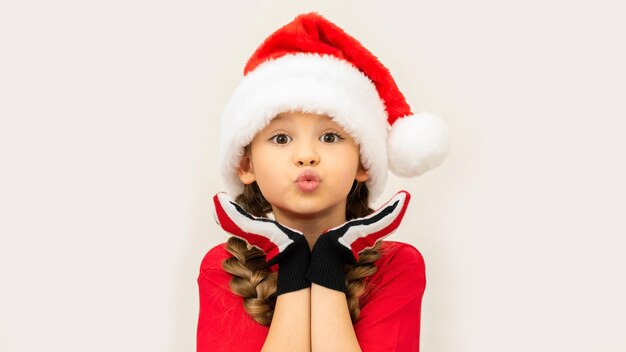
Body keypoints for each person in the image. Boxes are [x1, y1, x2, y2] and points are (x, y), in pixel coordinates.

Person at [196, 12, 450, 352]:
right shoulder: (224, 268)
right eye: (281, 139)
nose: (306, 155)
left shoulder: (397, 265)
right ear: (246, 164)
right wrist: (291, 259)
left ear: (363, 162)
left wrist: (330, 258)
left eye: (330, 137)